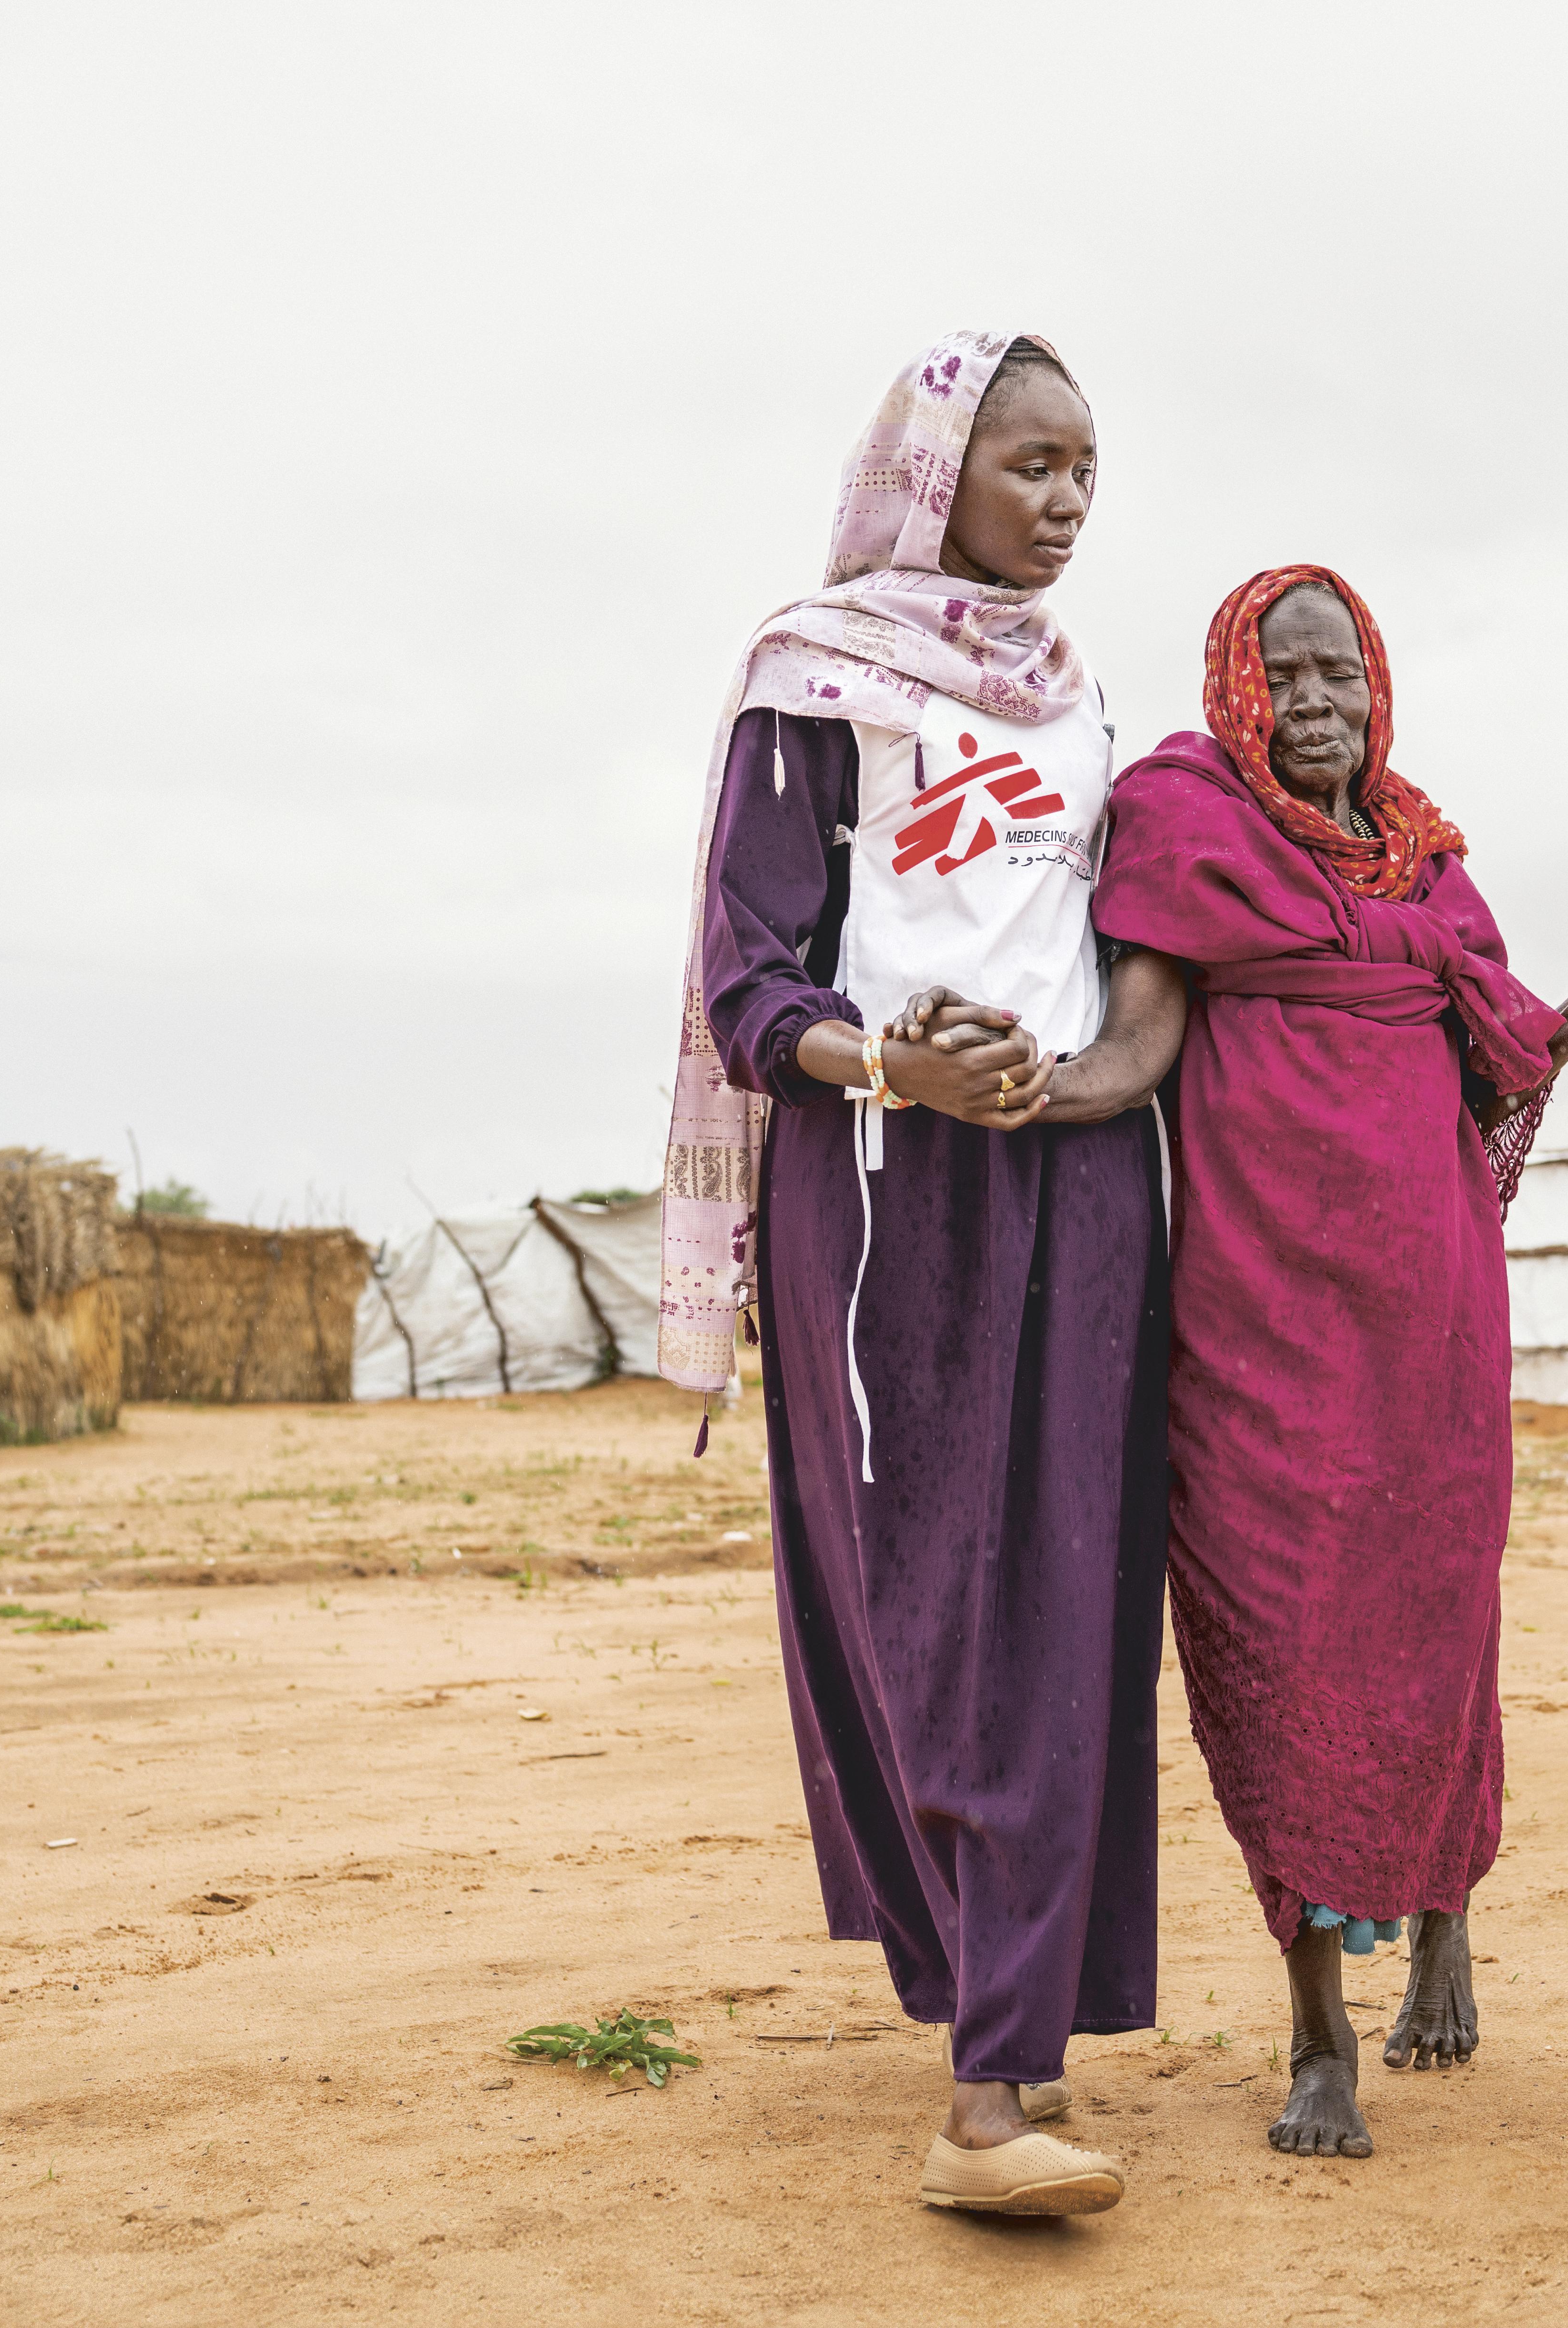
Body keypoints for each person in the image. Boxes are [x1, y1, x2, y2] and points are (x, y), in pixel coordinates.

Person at [1052, 564, 1568, 2161]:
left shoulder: (1434, 872)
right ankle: (1314, 2035)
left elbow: (1506, 1062)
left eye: (1347, 674)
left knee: (1433, 1631)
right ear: (1238, 689)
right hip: (1255, 1319)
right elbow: (1140, 1047)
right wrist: (1003, 1093)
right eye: (1291, 677)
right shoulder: (1182, 828)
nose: (1325, 705)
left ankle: (1443, 1922)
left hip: (1427, 1316)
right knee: (1275, 1640)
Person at [659, 329, 1167, 2216]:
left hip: (1087, 1188)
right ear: (933, 470)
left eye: (1086, 470)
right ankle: (989, 2061)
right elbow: (749, 977)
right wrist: (900, 1063)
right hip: (884, 1195)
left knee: (1066, 1599)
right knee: (939, 1606)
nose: (1063, 500)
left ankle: (1003, 2068)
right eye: (1030, 463)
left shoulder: (1086, 700)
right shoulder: (818, 682)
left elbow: (1131, 941)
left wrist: (1087, 1076)